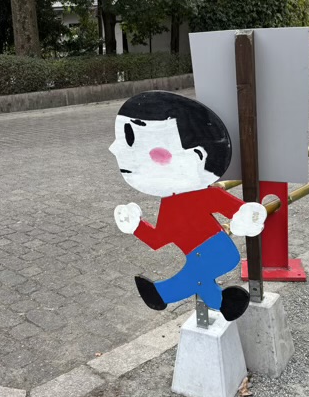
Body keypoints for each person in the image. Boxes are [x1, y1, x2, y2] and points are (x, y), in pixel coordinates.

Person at [109, 91, 266, 321]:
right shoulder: (170, 205)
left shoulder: (203, 195)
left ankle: (163, 295)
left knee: (196, 277)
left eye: (132, 138)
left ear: (197, 155)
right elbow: (158, 240)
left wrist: (247, 217)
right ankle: (221, 303)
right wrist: (135, 226)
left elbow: (237, 210)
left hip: (218, 252)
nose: (116, 149)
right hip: (200, 256)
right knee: (198, 278)